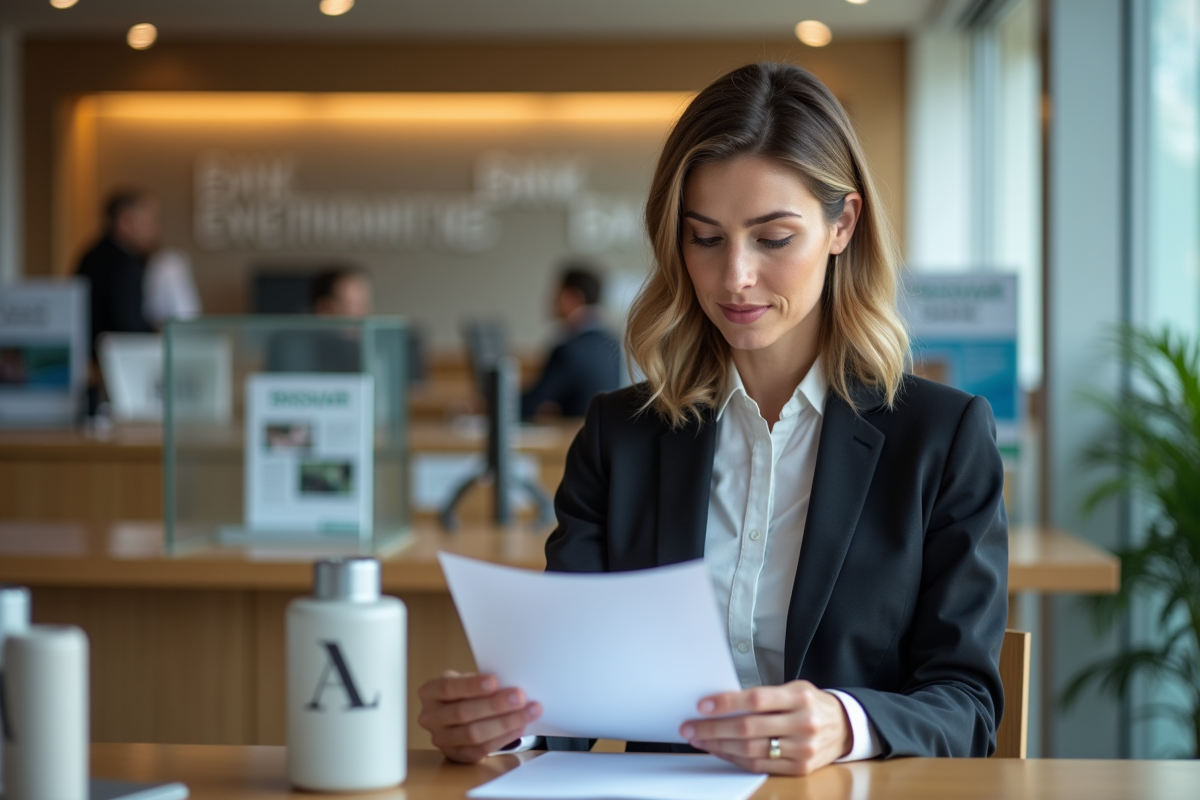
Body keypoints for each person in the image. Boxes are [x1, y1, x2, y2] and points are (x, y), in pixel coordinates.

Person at [417, 62, 1008, 776]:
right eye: (706, 238)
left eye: (773, 238)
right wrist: (498, 728)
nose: (735, 278)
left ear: (842, 224)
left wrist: (843, 722)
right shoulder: (620, 437)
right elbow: (568, 694)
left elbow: (966, 704)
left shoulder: (941, 438)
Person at [520, 265, 621, 420]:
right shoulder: (611, 343)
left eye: (557, 293)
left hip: (570, 439)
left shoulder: (569, 350)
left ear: (573, 297)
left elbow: (528, 405)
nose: (551, 300)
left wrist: (489, 404)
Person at [76, 189, 159, 355]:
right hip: (112, 368)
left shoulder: (90, 255)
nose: (153, 231)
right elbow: (128, 330)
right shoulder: (123, 264)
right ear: (125, 220)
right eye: (146, 223)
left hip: (89, 362)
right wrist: (155, 332)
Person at [265, 266, 372, 373]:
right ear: (325, 309)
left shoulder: (369, 352)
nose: (363, 314)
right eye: (353, 305)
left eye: (364, 305)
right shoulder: (292, 349)